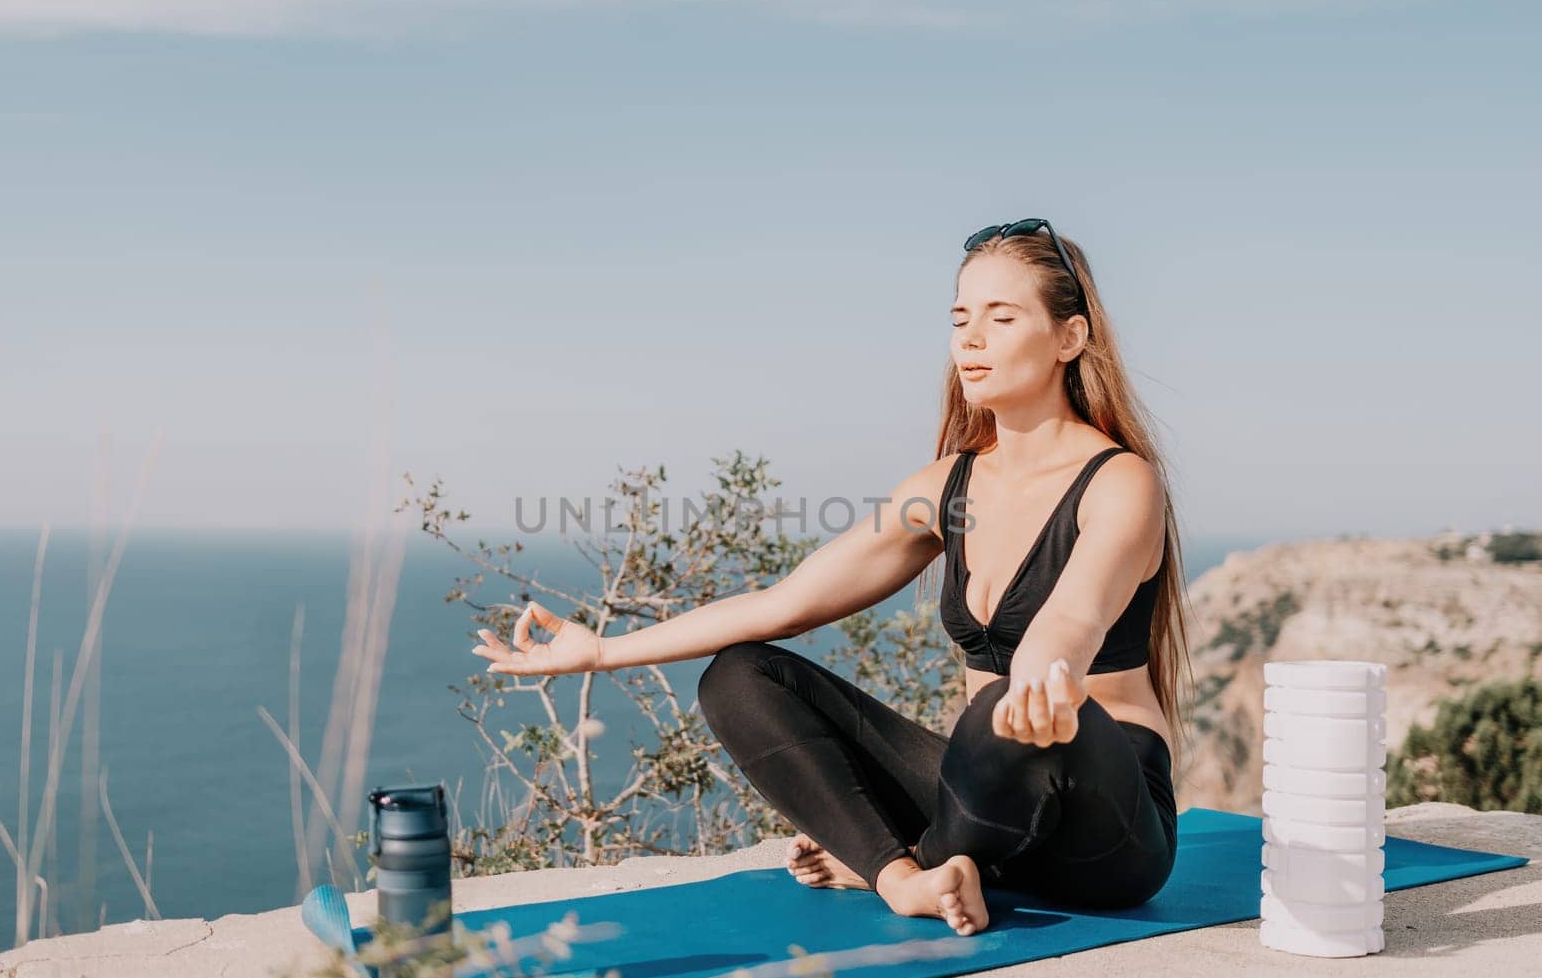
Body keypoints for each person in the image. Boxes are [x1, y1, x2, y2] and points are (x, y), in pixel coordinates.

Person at [472, 219, 1194, 937]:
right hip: (986, 803)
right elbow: (784, 605)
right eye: (960, 318)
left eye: (1000, 318)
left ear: (1069, 338)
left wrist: (1047, 660)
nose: (969, 339)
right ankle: (908, 877)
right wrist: (599, 649)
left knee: (1006, 712)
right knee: (741, 675)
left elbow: (1077, 612)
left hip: (1107, 833)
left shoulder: (1122, 483)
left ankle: (916, 856)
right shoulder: (945, 488)